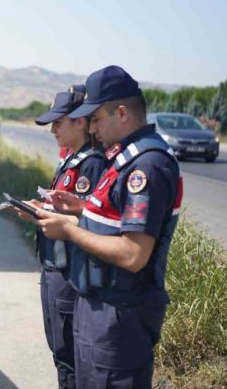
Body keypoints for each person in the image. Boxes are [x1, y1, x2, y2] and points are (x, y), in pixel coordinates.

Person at [35, 66, 183, 388]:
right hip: (98, 307)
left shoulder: (147, 165)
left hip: (119, 316)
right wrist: (81, 208)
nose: (92, 127)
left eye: (97, 119)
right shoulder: (123, 160)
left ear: (121, 113)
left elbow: (133, 254)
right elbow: (113, 223)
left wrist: (70, 230)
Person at [11, 88, 104, 389]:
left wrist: (43, 214)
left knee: (69, 359)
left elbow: (88, 222)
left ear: (80, 122)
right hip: (54, 266)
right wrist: (39, 210)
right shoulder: (72, 160)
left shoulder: (91, 163)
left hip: (69, 271)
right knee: (59, 351)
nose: (52, 130)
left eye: (58, 123)